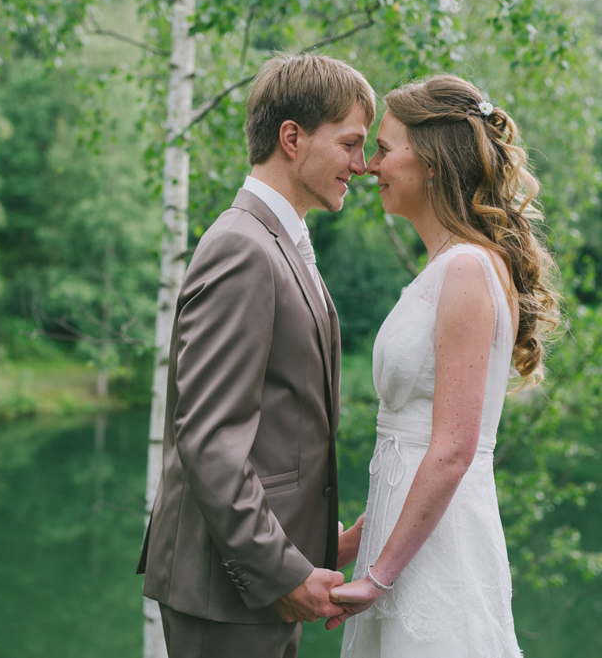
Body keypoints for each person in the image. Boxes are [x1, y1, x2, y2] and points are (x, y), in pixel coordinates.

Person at [136, 53, 376, 658]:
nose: (362, 163)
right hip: (226, 593)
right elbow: (212, 439)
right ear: (291, 138)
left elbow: (281, 424)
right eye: (349, 143)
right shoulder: (243, 248)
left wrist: (327, 544)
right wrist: (281, 572)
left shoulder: (283, 242)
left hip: (255, 583)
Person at [326, 74, 561, 657]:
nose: (369, 166)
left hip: (435, 557)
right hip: (405, 542)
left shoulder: (466, 270)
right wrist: (353, 544)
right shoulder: (446, 270)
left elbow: (452, 448)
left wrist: (379, 577)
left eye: (383, 148)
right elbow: (410, 446)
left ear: (430, 161)